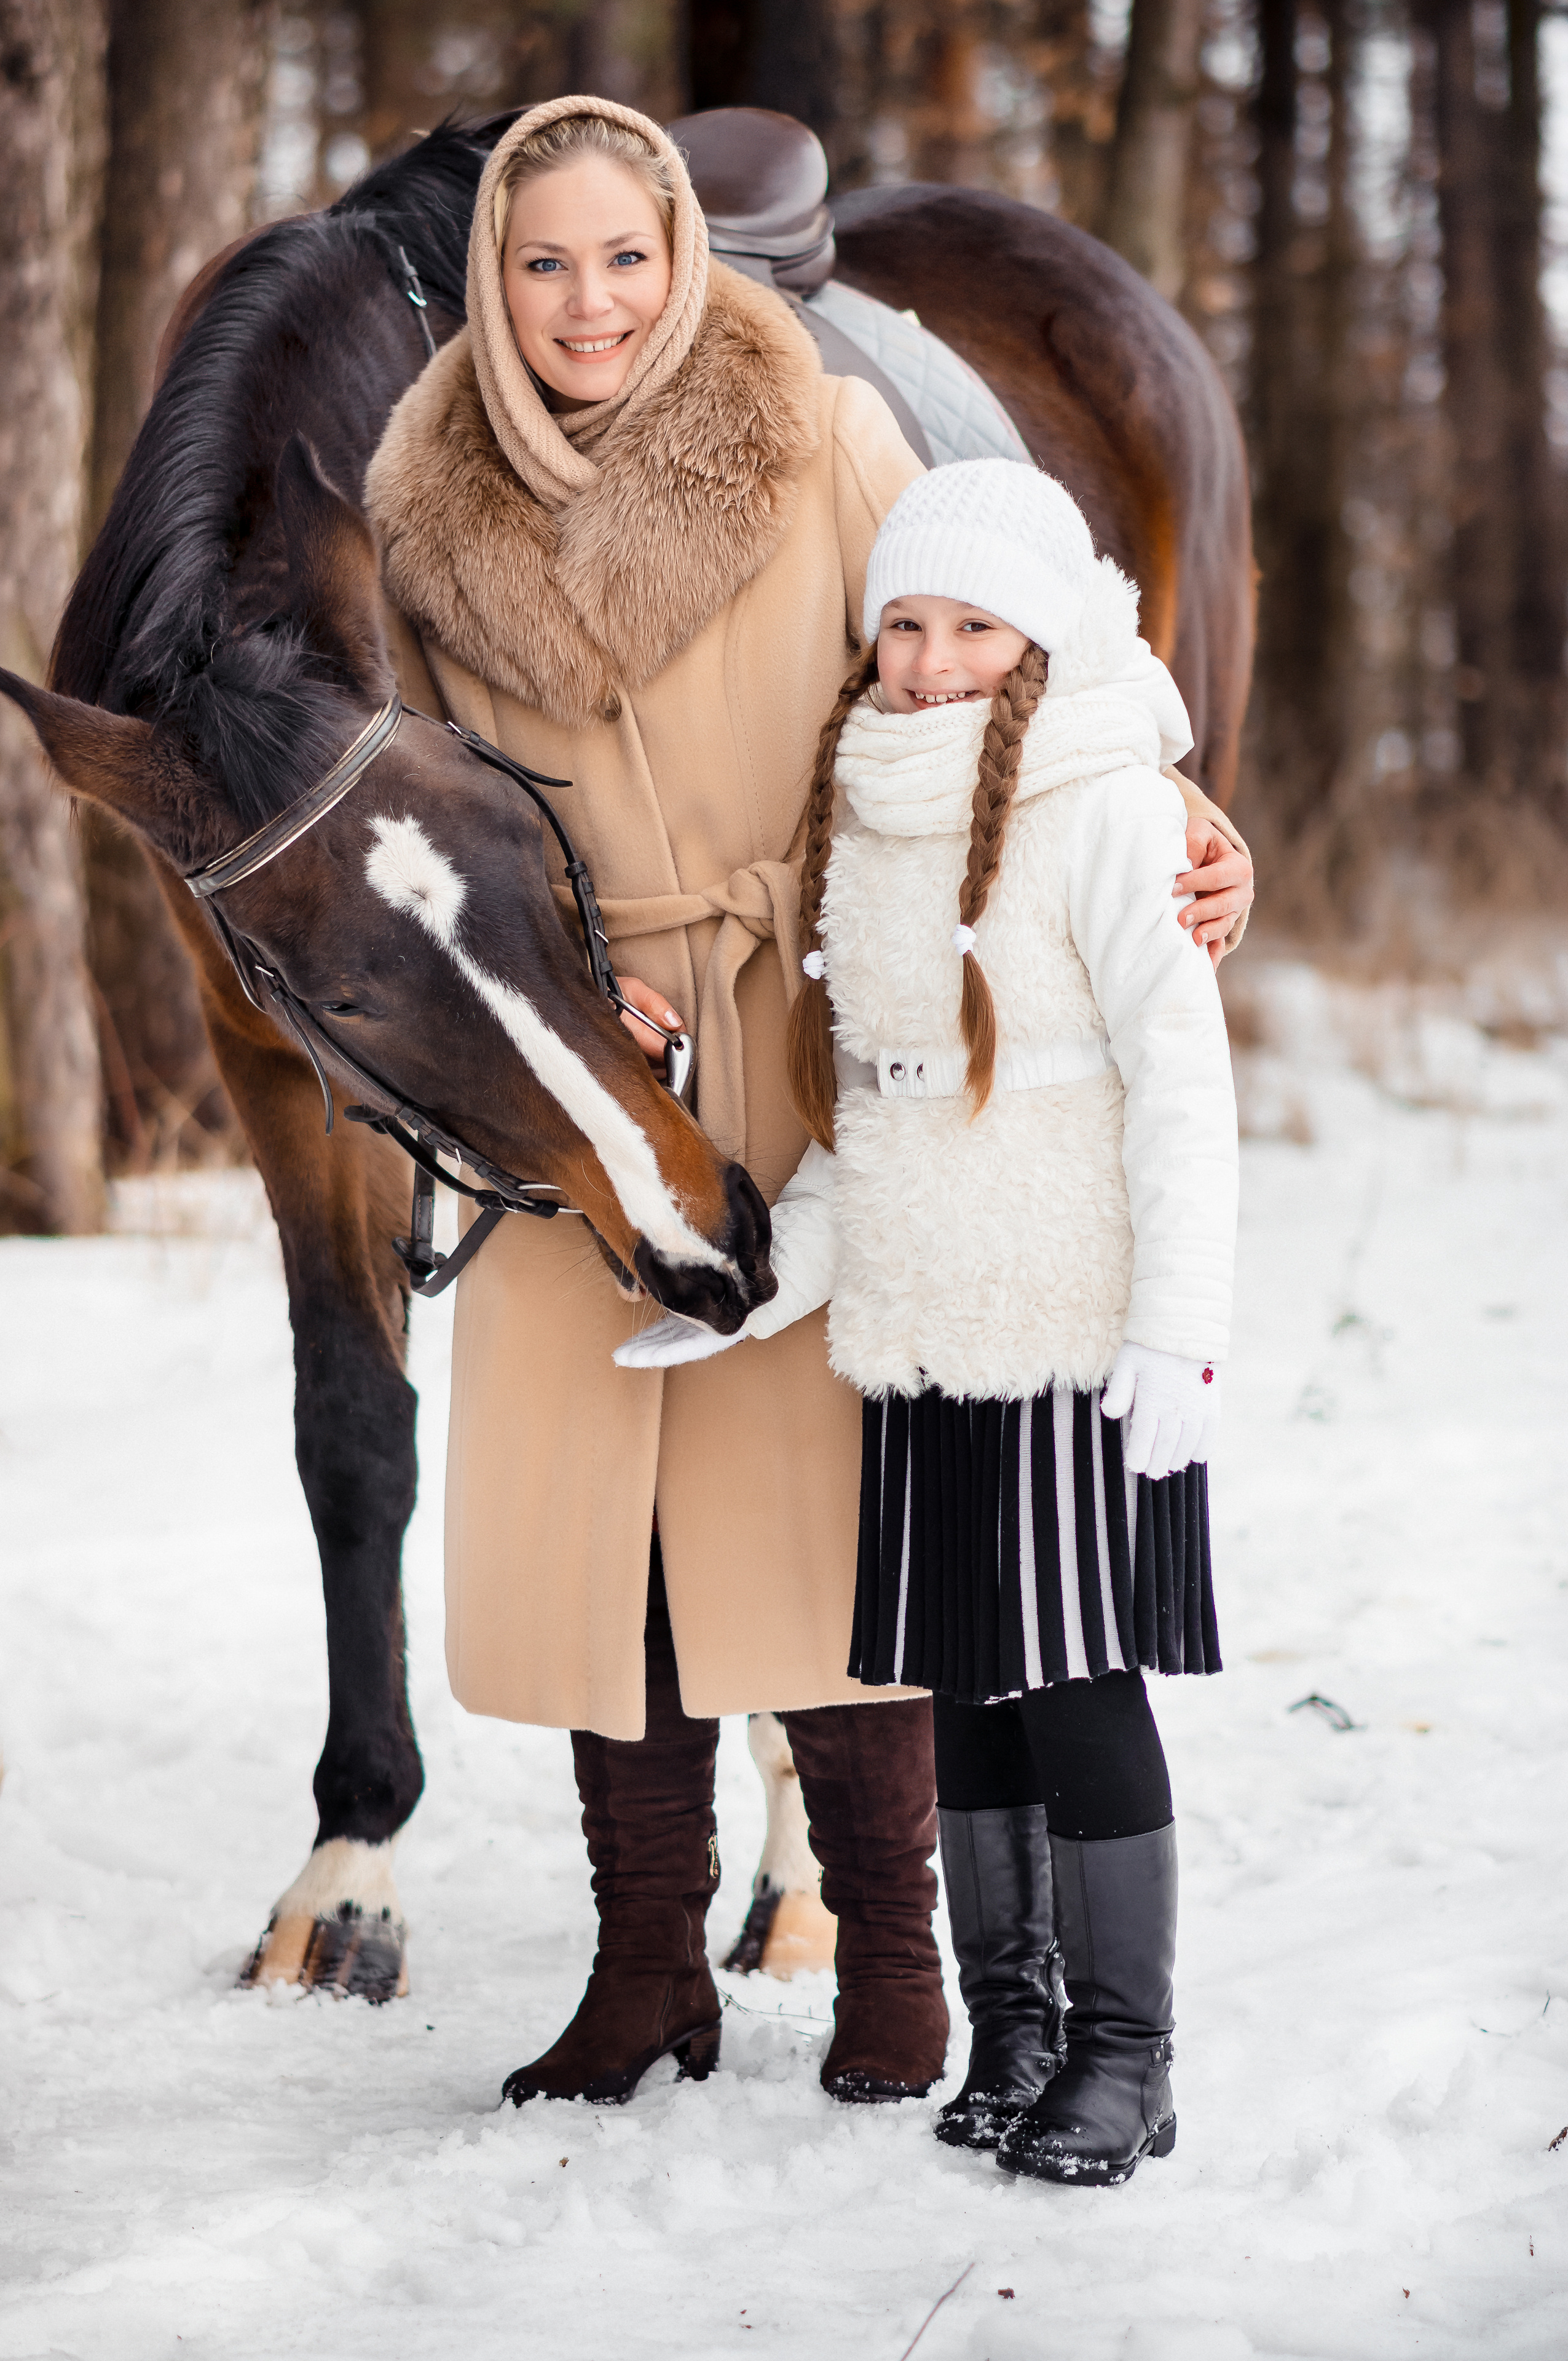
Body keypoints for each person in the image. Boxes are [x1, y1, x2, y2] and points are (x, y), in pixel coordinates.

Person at [365, 98, 1251, 2112]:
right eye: (544, 263)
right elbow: (400, 788)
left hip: (825, 1023)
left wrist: (1189, 823)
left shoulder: (820, 426)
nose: (592, 303)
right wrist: (543, 979)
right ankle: (645, 1966)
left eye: (628, 256)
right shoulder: (421, 503)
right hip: (584, 1055)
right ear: (492, 285)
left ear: (689, 259)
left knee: (832, 1516)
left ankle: (901, 1957)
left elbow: (1011, 668)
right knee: (609, 1530)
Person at [621, 457, 1238, 2186]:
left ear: (1040, 641)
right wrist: (754, 1292)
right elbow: (878, 1113)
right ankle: (1019, 2024)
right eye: (906, 621)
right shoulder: (875, 808)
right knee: (968, 1684)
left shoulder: (1106, 804)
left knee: (1076, 1689)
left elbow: (1183, 1087)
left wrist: (1178, 1336)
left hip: (1072, 1321)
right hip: (926, 1319)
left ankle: (1129, 2058)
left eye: (975, 625)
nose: (933, 656)